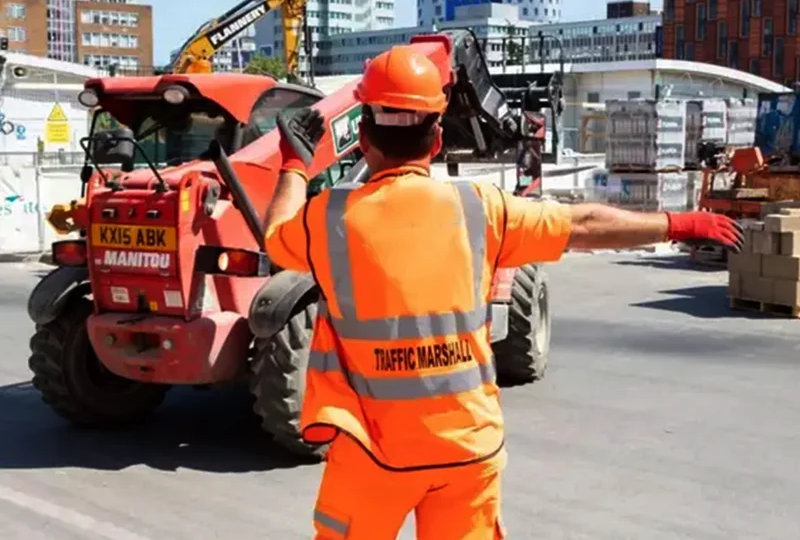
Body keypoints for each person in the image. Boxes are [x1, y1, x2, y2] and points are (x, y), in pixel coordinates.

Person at [263, 46, 744, 540]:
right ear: (436, 138)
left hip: (372, 451)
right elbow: (582, 224)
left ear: (362, 139)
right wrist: (678, 222)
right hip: (466, 449)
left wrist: (294, 166)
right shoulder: (481, 209)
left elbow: (276, 236)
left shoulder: (327, 219)